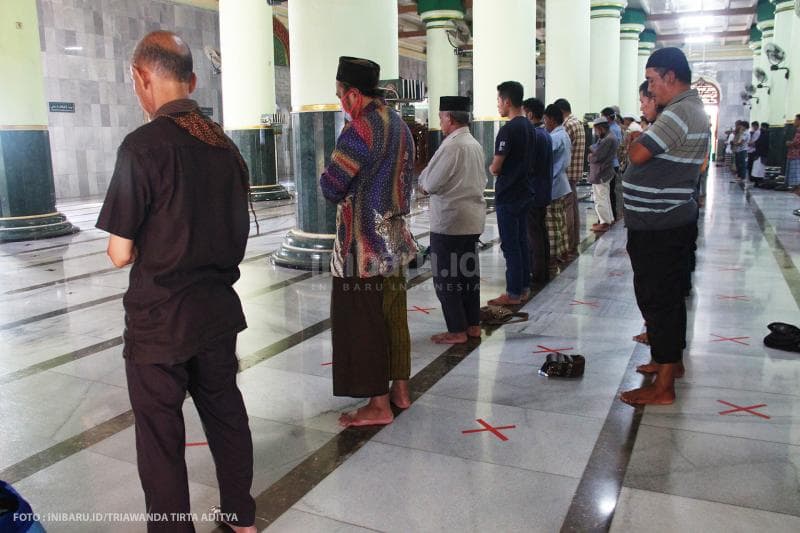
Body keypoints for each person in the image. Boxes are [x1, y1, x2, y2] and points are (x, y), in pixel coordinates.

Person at [96, 31, 257, 532]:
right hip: (216, 313)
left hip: (160, 321)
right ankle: (241, 517)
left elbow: (119, 253)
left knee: (161, 438)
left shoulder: (142, 147)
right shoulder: (225, 147)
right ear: (189, 80)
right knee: (227, 416)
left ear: (142, 78)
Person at [320, 56, 419, 426]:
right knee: (393, 316)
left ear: (354, 94)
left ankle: (378, 406)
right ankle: (400, 391)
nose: (339, 102)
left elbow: (331, 186)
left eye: (339, 94)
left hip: (360, 249)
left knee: (364, 323)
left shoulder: (361, 129)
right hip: (394, 240)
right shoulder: (398, 125)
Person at [621, 47, 709, 406]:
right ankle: (665, 359)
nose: (651, 89)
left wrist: (636, 143)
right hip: (662, 223)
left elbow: (638, 153)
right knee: (662, 298)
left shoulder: (679, 112)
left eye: (653, 80)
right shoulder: (687, 110)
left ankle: (664, 387)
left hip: (662, 227)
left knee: (662, 301)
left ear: (670, 76)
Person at [419, 96, 487, 344]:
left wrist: (423, 182)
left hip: (450, 222)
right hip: (471, 221)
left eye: (441, 117)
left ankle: (456, 330)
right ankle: (472, 326)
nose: (440, 122)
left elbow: (429, 182)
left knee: (447, 278)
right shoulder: (474, 143)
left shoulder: (452, 146)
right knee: (468, 276)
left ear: (449, 117)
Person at [488, 81, 535, 305]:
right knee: (521, 241)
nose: (498, 105)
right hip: (524, 191)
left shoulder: (509, 129)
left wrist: (491, 168)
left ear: (507, 101)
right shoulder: (529, 127)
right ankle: (524, 287)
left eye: (498, 100)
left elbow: (497, 166)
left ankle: (513, 293)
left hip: (509, 194)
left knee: (510, 245)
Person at [522, 97, 553, 285]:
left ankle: (538, 273)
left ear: (530, 114)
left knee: (534, 235)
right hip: (543, 190)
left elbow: (529, 165)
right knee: (540, 233)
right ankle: (543, 270)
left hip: (533, 192)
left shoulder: (534, 135)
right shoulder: (545, 134)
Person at [554, 98, 586, 259]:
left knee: (567, 212)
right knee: (573, 209)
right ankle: (573, 243)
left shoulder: (567, 125)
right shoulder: (577, 122)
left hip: (567, 173)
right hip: (575, 173)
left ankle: (567, 246)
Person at [543, 104, 573, 263]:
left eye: (546, 119)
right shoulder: (564, 134)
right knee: (560, 220)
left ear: (552, 119)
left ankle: (553, 255)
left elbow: (545, 157)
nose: (544, 122)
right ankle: (563, 251)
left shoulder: (555, 137)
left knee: (551, 222)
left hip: (554, 183)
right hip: (561, 182)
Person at [587, 117, 618, 232]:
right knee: (605, 196)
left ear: (601, 128)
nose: (595, 133)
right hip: (603, 171)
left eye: (596, 130)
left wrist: (590, 156)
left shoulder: (607, 139)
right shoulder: (609, 137)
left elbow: (596, 156)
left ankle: (604, 222)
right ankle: (609, 219)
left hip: (601, 172)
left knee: (600, 198)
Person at [601, 106, 624, 219]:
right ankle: (612, 216)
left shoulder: (611, 130)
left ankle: (609, 217)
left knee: (607, 192)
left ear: (607, 118)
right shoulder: (617, 128)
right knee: (611, 190)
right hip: (614, 163)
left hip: (609, 163)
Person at [786, 114, 800, 190]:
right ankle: (795, 188)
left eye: (795, 120)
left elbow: (797, 143)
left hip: (796, 155)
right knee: (794, 173)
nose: (794, 122)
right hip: (793, 154)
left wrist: (790, 143)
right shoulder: (797, 131)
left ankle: (796, 189)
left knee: (796, 173)